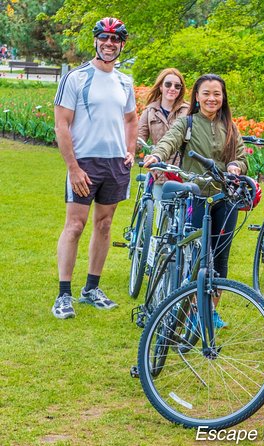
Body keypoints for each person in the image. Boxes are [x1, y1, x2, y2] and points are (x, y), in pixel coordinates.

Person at [141, 74, 248, 328]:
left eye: (217, 94)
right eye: (206, 93)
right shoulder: (187, 123)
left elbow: (242, 158)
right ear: (197, 97)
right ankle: (187, 309)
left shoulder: (230, 127)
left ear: (223, 98)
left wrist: (235, 165)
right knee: (197, 256)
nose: (212, 98)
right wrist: (157, 155)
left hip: (225, 197)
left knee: (220, 257)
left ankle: (209, 312)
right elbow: (168, 142)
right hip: (196, 196)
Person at [52, 17, 137, 319]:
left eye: (115, 40)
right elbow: (62, 125)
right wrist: (73, 168)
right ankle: (64, 294)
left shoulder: (125, 81)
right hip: (84, 161)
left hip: (115, 163)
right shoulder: (76, 77)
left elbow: (130, 119)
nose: (110, 44)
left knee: (104, 225)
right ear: (96, 41)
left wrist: (130, 150)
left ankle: (91, 288)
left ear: (122, 45)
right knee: (75, 226)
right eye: (105, 38)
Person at [137, 68, 189, 201]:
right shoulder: (150, 111)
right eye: (168, 84)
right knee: (163, 215)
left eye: (177, 86)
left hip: (183, 171)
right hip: (159, 171)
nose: (172, 88)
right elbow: (139, 138)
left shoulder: (188, 111)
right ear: (160, 86)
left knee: (183, 216)